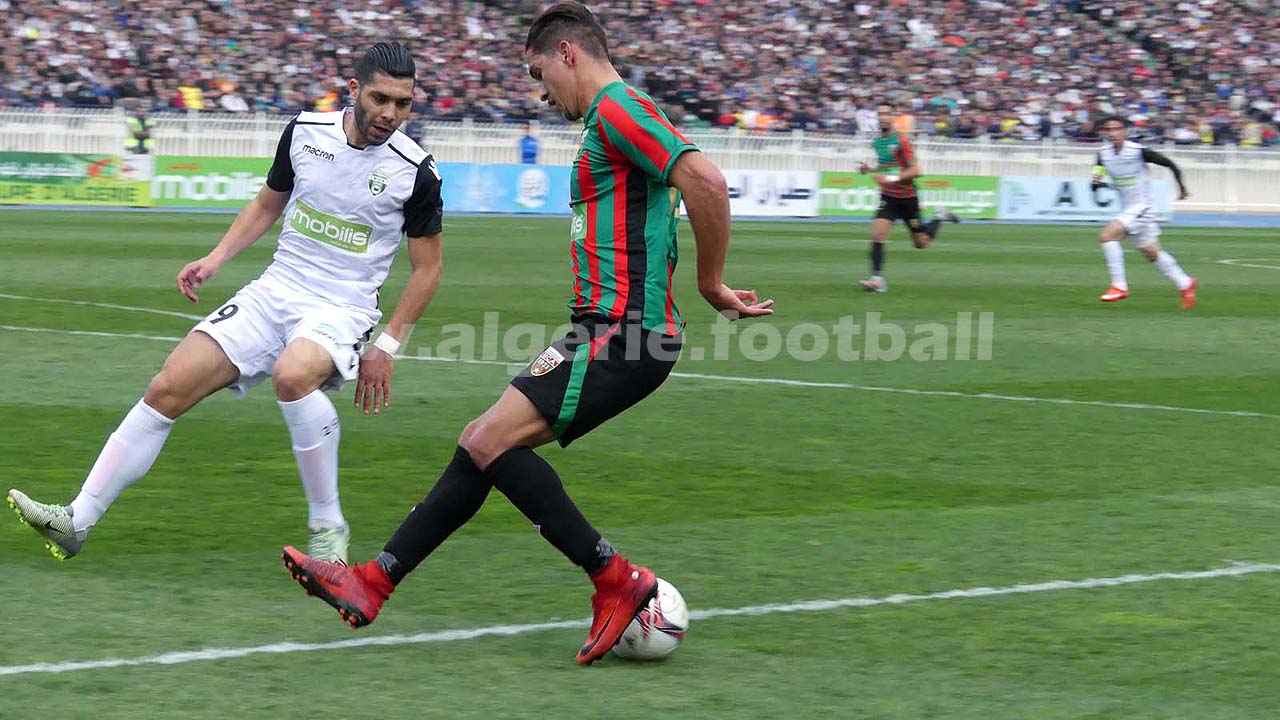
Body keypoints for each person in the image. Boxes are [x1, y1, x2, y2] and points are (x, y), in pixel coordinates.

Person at [280, 2, 773, 666]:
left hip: (626, 332)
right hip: (607, 331)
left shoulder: (620, 109)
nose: (542, 93)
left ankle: (617, 580)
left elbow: (705, 180)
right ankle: (373, 583)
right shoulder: (613, 117)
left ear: (569, 54)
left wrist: (711, 283)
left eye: (541, 75)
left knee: (489, 441)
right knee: (481, 444)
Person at [7, 42, 445, 564]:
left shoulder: (415, 171)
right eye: (380, 99)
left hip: (341, 307)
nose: (390, 114)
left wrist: (387, 346)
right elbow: (267, 203)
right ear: (354, 90)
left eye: (403, 103)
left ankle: (328, 530)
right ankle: (77, 521)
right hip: (275, 290)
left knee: (292, 376)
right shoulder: (305, 132)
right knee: (167, 386)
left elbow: (428, 269)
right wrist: (216, 258)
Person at [1091, 114, 1196, 309]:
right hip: (1127, 208)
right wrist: (1096, 182)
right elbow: (1098, 171)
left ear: (1125, 132)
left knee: (1107, 236)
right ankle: (1185, 283)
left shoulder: (1138, 151)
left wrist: (1181, 188)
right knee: (1151, 252)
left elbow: (1170, 164)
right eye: (1109, 129)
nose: (1113, 133)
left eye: (1117, 129)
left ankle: (1119, 286)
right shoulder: (1102, 154)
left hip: (1142, 207)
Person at [857, 104, 958, 293]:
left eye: (886, 114)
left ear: (892, 117)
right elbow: (886, 164)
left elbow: (916, 170)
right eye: (880, 114)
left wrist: (890, 179)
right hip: (889, 196)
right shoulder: (877, 142)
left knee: (921, 243)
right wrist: (869, 169)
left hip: (908, 198)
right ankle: (877, 280)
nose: (883, 117)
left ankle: (939, 217)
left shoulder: (902, 142)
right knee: (878, 234)